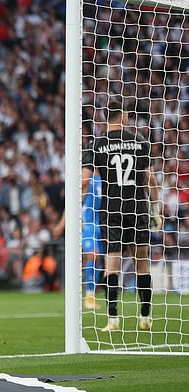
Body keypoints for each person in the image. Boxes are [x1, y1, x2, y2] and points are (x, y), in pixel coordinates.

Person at [81, 100, 161, 332]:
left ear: (107, 118)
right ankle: (145, 317)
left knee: (111, 266)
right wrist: (155, 210)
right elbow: (151, 181)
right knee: (142, 265)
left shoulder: (95, 144)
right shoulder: (139, 143)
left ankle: (113, 320)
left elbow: (84, 181)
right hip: (136, 209)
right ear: (124, 116)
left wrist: (77, 209)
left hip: (112, 211)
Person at [54, 172, 104, 310]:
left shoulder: (107, 175)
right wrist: (61, 224)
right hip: (88, 224)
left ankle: (94, 294)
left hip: (105, 224)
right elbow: (73, 202)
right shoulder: (86, 179)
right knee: (92, 256)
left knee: (100, 260)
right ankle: (89, 297)